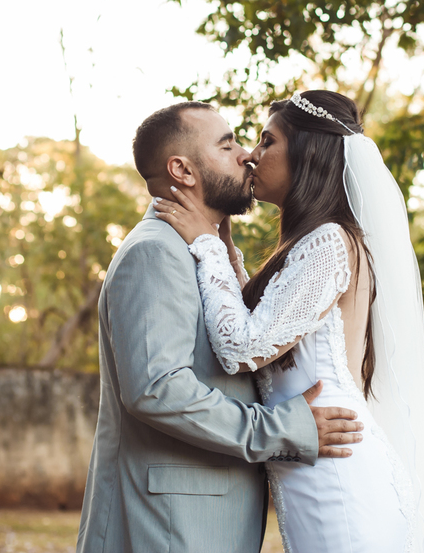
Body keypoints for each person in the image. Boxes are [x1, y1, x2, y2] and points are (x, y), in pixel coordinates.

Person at [155, 90, 424, 553]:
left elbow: (242, 347)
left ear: (307, 155)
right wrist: (224, 252)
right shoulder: (311, 244)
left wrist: (204, 245)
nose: (250, 156)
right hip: (316, 473)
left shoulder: (328, 241)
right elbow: (269, 324)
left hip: (340, 480)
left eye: (267, 142)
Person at [77, 101, 364, 553]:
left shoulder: (201, 250)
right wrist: (279, 428)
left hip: (206, 517)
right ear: (183, 170)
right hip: (169, 524)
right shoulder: (155, 253)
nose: (246, 155)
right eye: (227, 144)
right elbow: (156, 389)